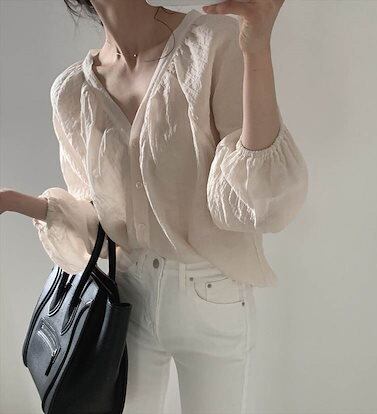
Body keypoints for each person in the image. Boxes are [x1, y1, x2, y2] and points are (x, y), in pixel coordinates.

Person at [0, 0, 308, 412]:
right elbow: (98, 223)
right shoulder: (73, 91)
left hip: (210, 295)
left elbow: (259, 202)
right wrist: (12, 201)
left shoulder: (212, 45)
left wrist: (258, 48)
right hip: (128, 298)